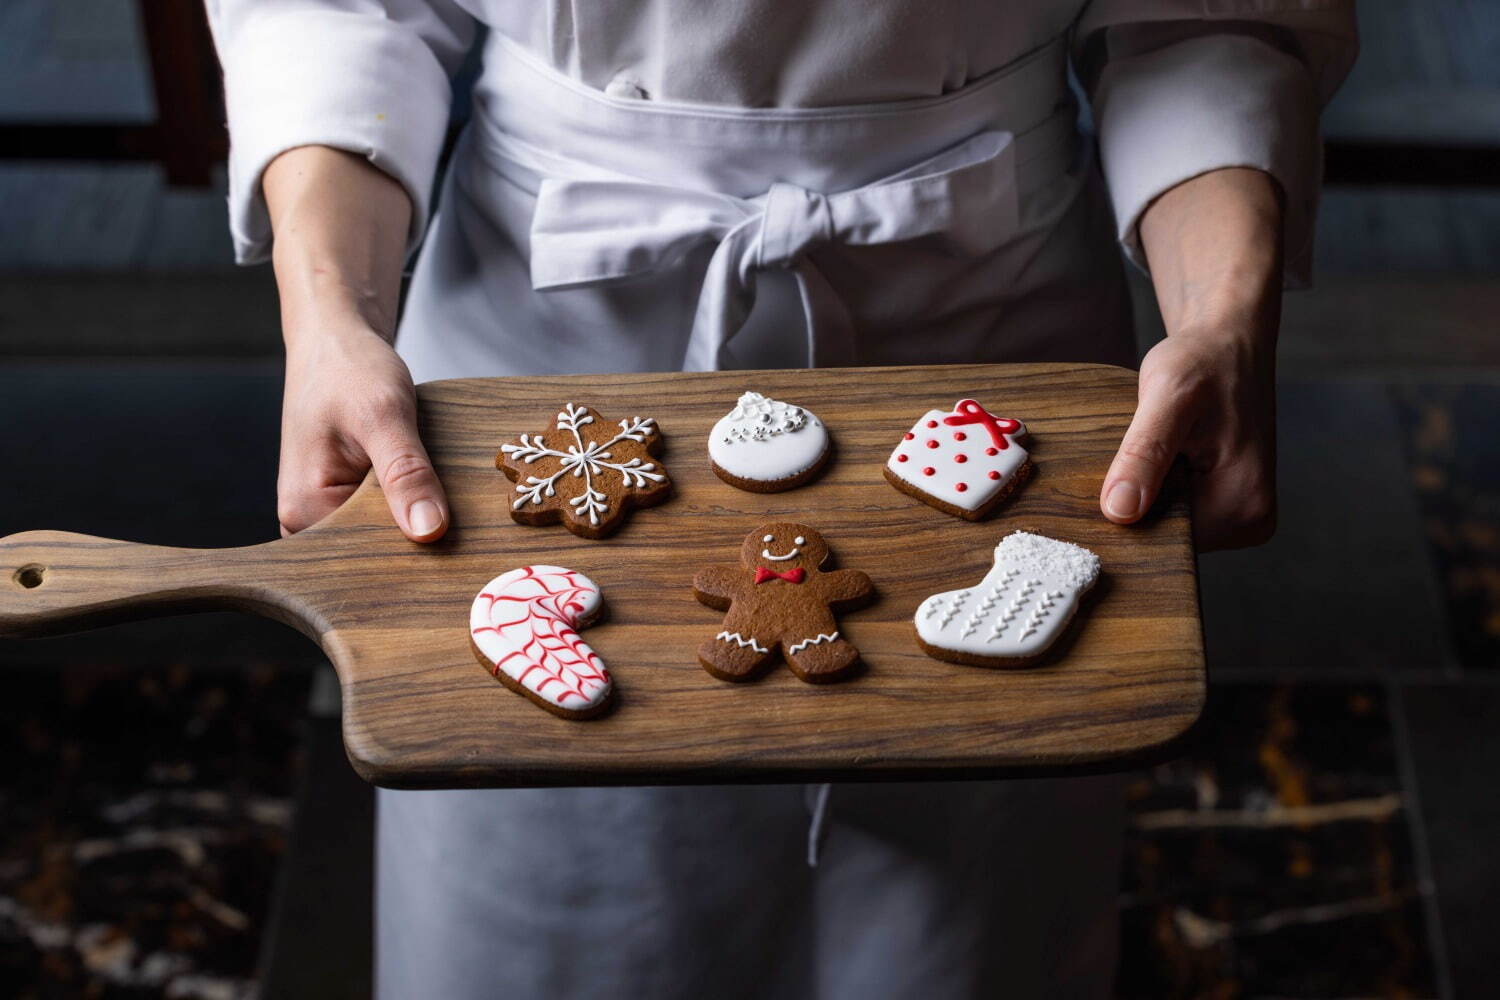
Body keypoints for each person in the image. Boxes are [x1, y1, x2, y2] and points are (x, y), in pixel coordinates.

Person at [206, 2, 1356, 996]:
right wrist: (332, 320)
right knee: (550, 885)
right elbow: (338, 13)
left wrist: (1220, 319)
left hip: (992, 323)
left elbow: (1207, 15)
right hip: (546, 336)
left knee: (966, 914)